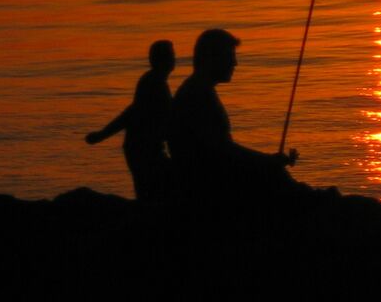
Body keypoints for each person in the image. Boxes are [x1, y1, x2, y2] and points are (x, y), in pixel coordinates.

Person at [168, 28, 299, 201]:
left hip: (210, 177)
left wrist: (267, 162)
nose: (235, 63)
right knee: (275, 175)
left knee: (276, 174)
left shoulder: (198, 89)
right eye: (229, 56)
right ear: (212, 58)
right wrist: (267, 161)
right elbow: (223, 150)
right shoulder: (197, 95)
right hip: (207, 185)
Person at [86, 39, 175, 202]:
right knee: (154, 192)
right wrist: (102, 135)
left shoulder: (155, 81)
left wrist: (102, 134)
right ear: (160, 60)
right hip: (143, 149)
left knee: (152, 191)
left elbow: (133, 112)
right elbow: (132, 113)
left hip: (145, 148)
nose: (173, 60)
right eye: (170, 56)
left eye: (172, 56)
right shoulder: (153, 83)